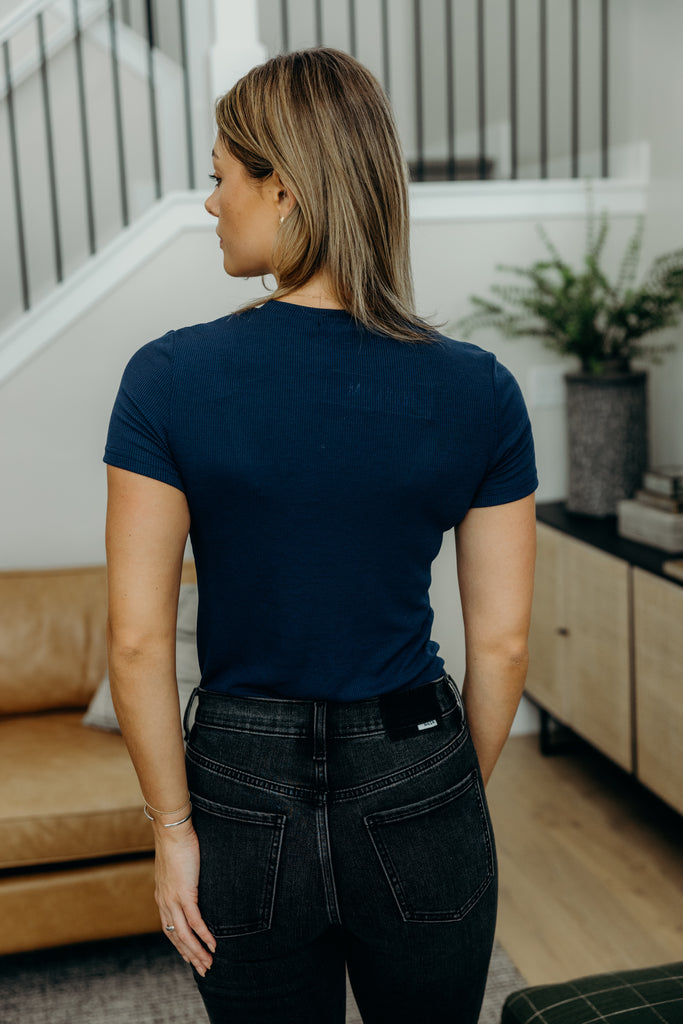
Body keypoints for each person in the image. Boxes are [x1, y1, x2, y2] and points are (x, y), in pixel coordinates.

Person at [104, 47, 537, 1024]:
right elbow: (503, 643)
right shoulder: (478, 389)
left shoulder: (167, 378)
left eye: (221, 178)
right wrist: (436, 796)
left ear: (285, 190)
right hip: (414, 748)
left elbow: (134, 639)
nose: (210, 202)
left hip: (239, 780)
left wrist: (173, 827)